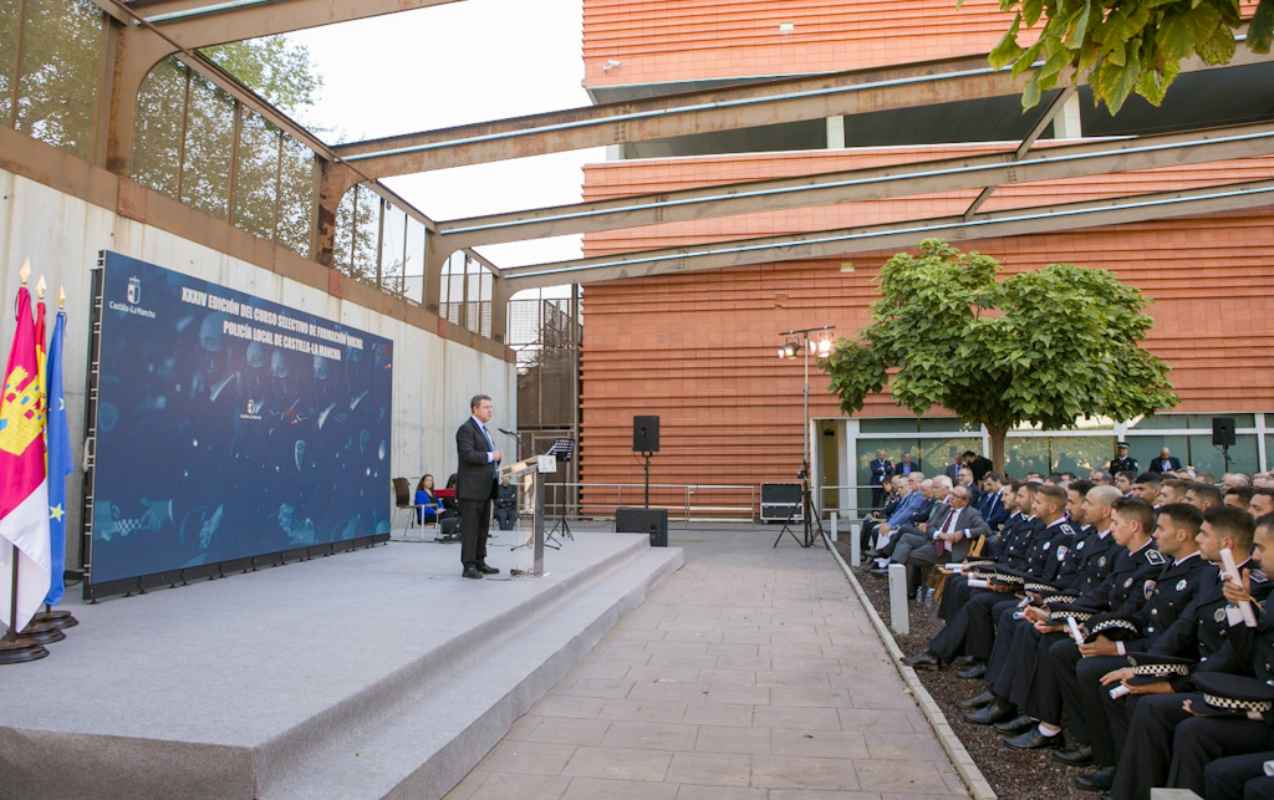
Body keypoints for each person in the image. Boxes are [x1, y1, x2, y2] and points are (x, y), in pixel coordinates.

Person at [456, 394, 503, 580]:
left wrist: (496, 463)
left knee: (483, 528)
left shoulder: (485, 430)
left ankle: (480, 561)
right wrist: (492, 456)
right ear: (475, 409)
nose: (490, 410)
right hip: (471, 489)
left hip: (485, 488)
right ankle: (468, 566)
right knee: (471, 529)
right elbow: (467, 455)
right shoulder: (466, 429)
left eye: (491, 407)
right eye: (486, 407)